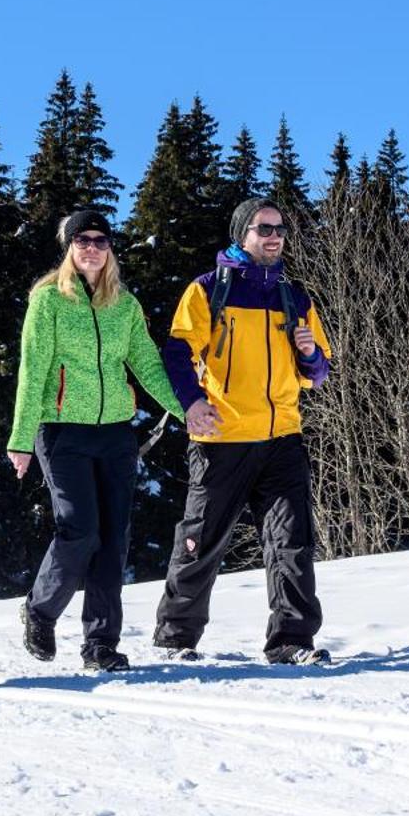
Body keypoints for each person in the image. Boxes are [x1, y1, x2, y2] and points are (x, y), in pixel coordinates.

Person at [6, 209, 213, 671]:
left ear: (110, 248)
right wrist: (21, 440)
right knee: (79, 530)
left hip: (116, 434)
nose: (92, 248)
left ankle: (100, 645)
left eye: (101, 240)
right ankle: (39, 611)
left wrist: (189, 411)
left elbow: (148, 366)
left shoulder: (125, 305)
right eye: (83, 240)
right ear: (69, 247)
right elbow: (32, 370)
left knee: (113, 540)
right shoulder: (48, 301)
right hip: (62, 431)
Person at [154, 197, 335, 664]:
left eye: (279, 228)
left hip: (282, 438)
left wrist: (311, 353)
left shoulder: (295, 297)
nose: (273, 236)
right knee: (201, 542)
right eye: (263, 228)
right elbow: (177, 353)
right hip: (222, 439)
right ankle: (176, 640)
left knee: (292, 543)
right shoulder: (208, 289)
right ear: (242, 234)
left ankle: (292, 642)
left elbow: (318, 372)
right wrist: (192, 403)